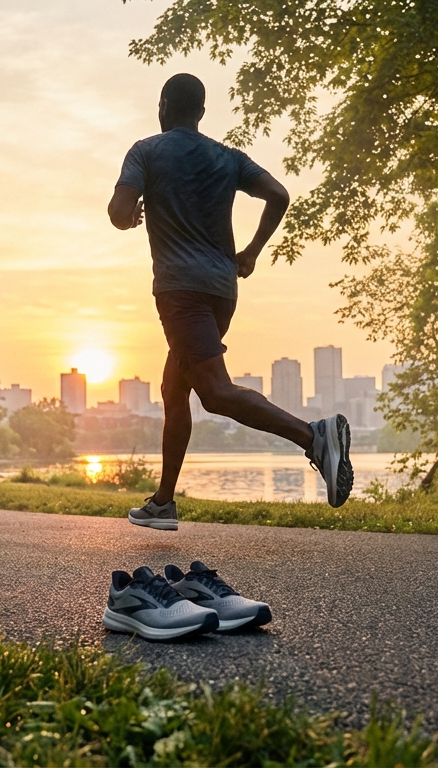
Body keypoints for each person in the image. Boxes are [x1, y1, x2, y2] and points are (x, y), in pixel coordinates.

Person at [107, 73, 353, 531]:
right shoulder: (227, 156)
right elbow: (278, 194)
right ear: (200, 112)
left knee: (216, 393)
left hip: (181, 292)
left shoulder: (147, 151)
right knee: (173, 389)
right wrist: (252, 252)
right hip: (223, 291)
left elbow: (120, 213)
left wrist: (130, 213)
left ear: (163, 106)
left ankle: (314, 437)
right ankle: (163, 502)